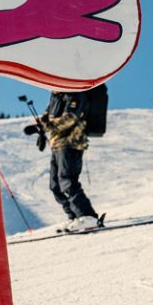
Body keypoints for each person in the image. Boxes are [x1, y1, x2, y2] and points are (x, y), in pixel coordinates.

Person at [27, 84, 106, 231]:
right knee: (55, 185)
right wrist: (37, 127)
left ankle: (88, 216)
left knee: (67, 181)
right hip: (57, 145)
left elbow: (69, 119)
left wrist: (45, 127)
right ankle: (74, 216)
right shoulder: (56, 97)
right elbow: (46, 116)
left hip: (71, 144)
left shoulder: (75, 94)